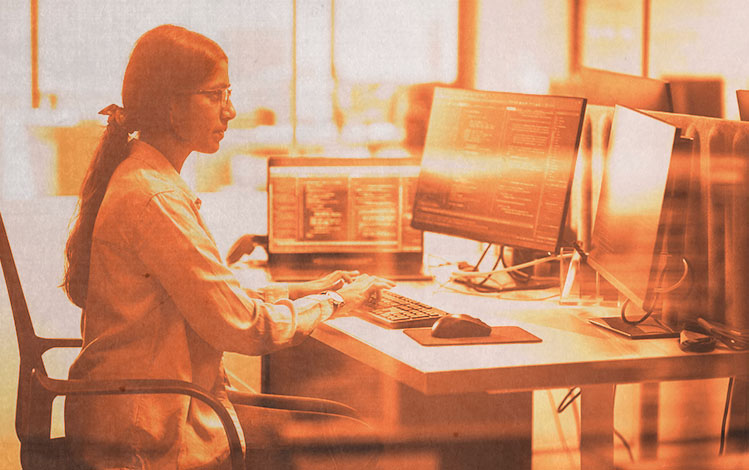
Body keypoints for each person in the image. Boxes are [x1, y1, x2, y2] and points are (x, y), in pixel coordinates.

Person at [62, 24, 393, 470]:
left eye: (228, 93)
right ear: (170, 105)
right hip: (151, 438)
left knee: (342, 421)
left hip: (146, 416)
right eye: (215, 95)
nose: (231, 111)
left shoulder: (147, 177)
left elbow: (211, 299)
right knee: (355, 440)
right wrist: (335, 301)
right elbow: (242, 327)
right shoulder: (155, 198)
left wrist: (303, 290)